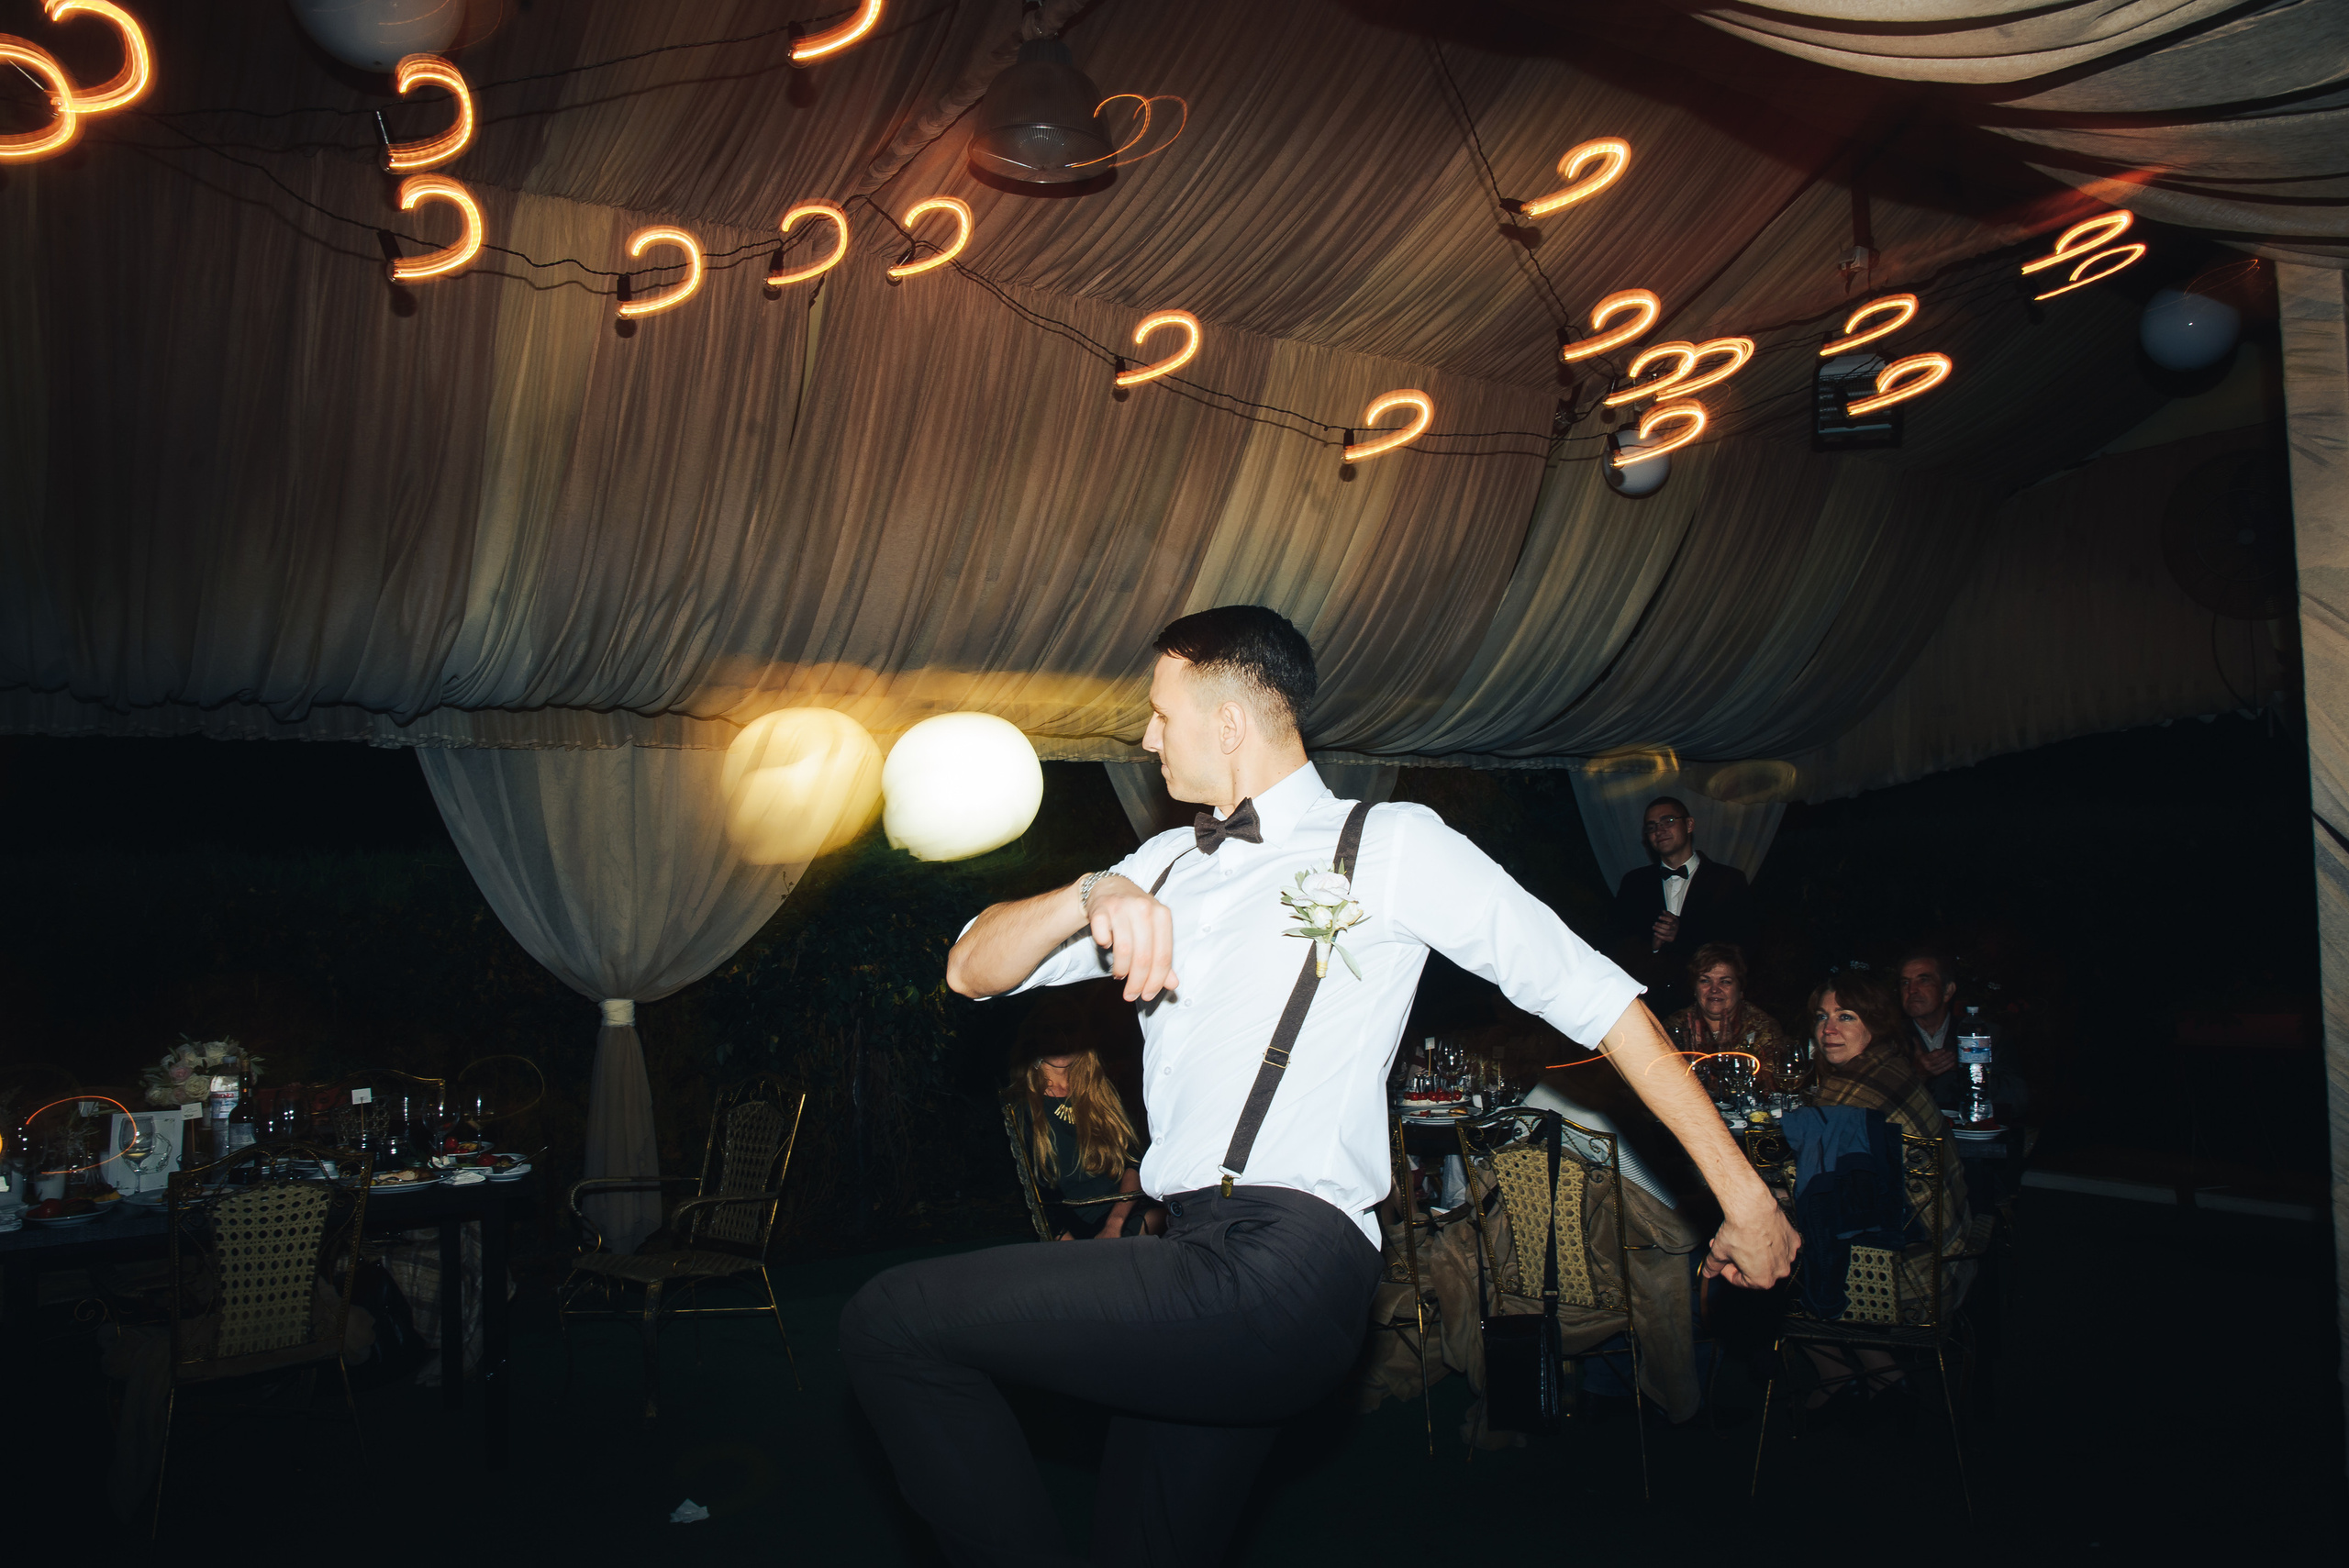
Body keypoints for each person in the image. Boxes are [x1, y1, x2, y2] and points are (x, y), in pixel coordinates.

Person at [840, 604, 1800, 1567]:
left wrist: (1747, 1199)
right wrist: (1094, 889)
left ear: (1228, 722)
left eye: (1161, 714)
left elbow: (1600, 1001)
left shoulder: (1391, 842)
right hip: (1192, 1255)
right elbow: (969, 967)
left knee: (892, 1322)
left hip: (1286, 1260)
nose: (1147, 737)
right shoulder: (1162, 863)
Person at [1794, 972, 1974, 1418]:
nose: (1828, 1029)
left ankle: (1837, 1376)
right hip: (1952, 1251)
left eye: (1845, 1017)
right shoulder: (1891, 1065)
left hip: (1909, 1281)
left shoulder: (1845, 1094)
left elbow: (1807, 1195)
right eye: (1822, 1017)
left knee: (1763, 1257)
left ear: (1873, 1023)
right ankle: (1883, 1375)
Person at [1604, 797, 1754, 1018]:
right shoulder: (1634, 883)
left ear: (1689, 824)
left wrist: (1682, 933)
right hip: (1650, 1009)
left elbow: (1743, 945)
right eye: (1651, 827)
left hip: (1709, 1009)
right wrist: (1652, 947)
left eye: (1668, 821)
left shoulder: (1728, 880)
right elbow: (1615, 945)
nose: (1659, 830)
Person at [1012, 1046, 1151, 1240]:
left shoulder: (1099, 1089)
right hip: (1080, 1227)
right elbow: (1038, 1195)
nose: (1061, 1042)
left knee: (1172, 1218)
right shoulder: (1021, 1106)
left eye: (1068, 1032)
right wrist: (1073, 1250)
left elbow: (1134, 1162)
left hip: (1129, 1209)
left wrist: (1114, 1224)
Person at [1897, 948, 2027, 1119]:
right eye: (1905, 982)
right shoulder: (1889, 1038)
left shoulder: (1983, 1035)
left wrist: (1968, 1070)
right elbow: (1876, 1102)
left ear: (1947, 991)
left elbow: (2018, 1100)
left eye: (1924, 980)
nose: (1911, 990)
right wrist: (1917, 1074)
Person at [1660, 941, 1798, 1092]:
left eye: (1725, 982)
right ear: (1695, 988)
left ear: (1740, 990)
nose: (1714, 989)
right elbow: (1660, 1082)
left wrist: (1726, 1062)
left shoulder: (1762, 1027)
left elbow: (1769, 1087)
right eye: (1705, 980)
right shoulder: (1675, 1026)